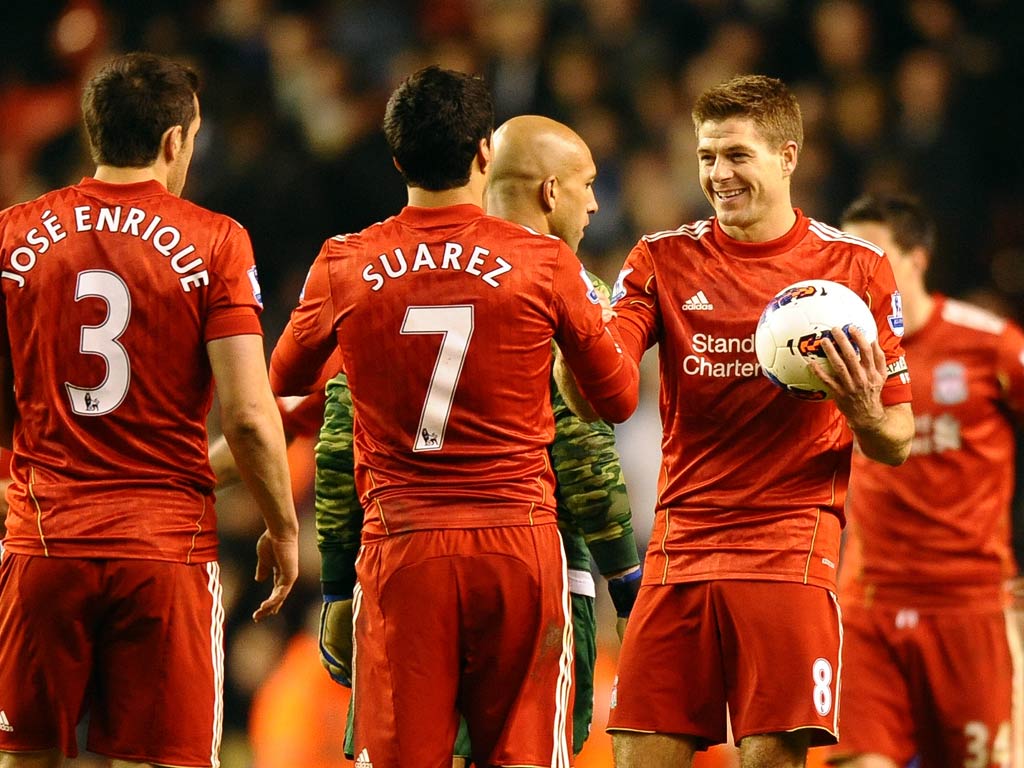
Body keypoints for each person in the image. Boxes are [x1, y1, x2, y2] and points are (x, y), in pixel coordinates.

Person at [269, 66, 639, 768]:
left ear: (398, 158)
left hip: (401, 551)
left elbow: (283, 379)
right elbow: (618, 398)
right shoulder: (546, 264)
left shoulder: (344, 264)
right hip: (517, 549)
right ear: (482, 154)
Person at [603, 74, 914, 768]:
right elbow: (610, 384)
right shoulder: (661, 258)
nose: (718, 173)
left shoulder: (855, 270)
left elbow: (896, 437)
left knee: (770, 754)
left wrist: (862, 409)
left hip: (789, 548)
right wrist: (574, 325)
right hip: (680, 546)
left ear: (787, 156)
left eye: (737, 155)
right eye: (707, 155)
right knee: (636, 751)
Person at [0, 52, 299, 768]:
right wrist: (282, 527)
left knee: (26, 758)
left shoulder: (12, 235)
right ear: (175, 142)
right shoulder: (216, 242)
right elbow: (251, 418)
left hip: (43, 541)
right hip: (163, 554)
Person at [824, 194, 1024, 768]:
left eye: (873, 255)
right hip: (868, 603)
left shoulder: (989, 345)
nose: (856, 271)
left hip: (968, 605)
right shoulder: (828, 353)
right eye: (845, 256)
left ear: (917, 259)